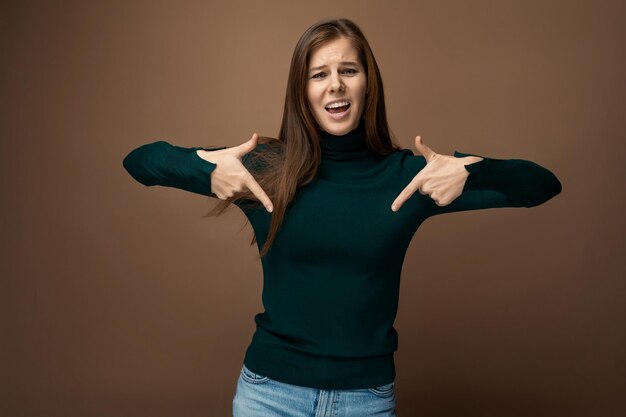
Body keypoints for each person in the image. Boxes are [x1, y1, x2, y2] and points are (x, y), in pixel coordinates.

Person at [122, 18, 561, 417]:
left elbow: (542, 186)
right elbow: (140, 162)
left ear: (368, 84)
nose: (335, 85)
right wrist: (206, 169)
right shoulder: (263, 169)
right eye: (319, 74)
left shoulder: (408, 177)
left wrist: (473, 171)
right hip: (268, 396)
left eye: (348, 71)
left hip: (365, 400)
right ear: (302, 91)